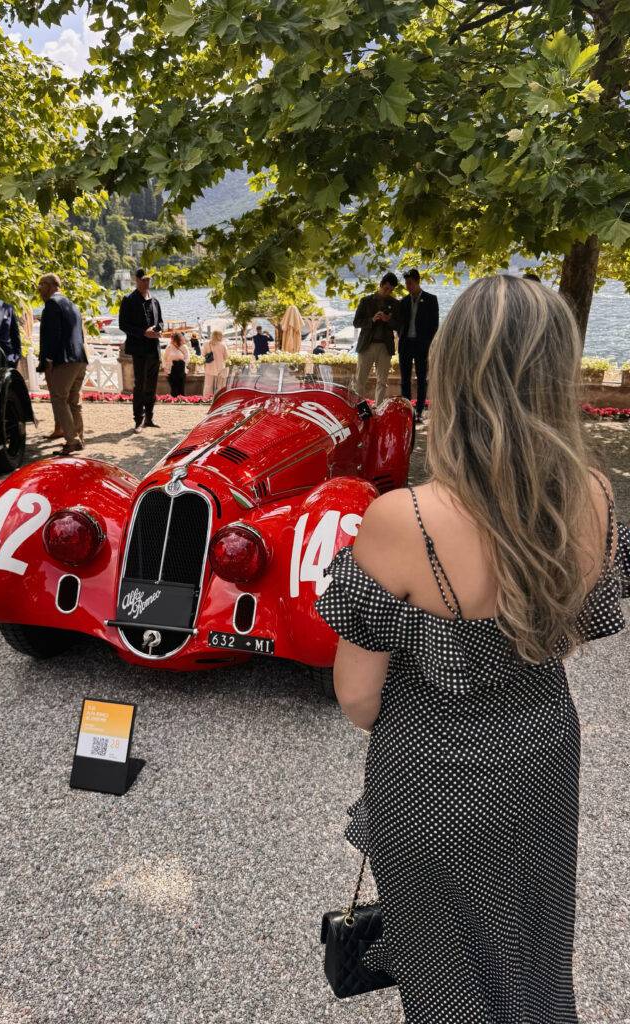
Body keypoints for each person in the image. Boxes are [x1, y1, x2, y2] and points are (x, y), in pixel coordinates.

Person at [317, 275, 629, 1024]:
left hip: (432, 775)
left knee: (447, 975)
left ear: (455, 370)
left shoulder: (402, 519)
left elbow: (357, 699)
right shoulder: (594, 493)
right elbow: (584, 623)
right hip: (545, 754)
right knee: (533, 950)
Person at [36, 273, 88, 456]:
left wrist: (46, 361)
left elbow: (52, 336)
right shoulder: (72, 305)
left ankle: (71, 441)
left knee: (59, 398)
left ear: (50, 285)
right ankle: (80, 438)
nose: (39, 289)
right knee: (74, 400)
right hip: (80, 358)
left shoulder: (51, 304)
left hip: (64, 360)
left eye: (41, 285)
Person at [118, 268, 164, 434]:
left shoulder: (155, 301)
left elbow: (161, 322)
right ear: (136, 280)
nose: (146, 282)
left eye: (148, 280)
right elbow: (123, 325)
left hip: (154, 348)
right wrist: (144, 332)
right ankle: (139, 419)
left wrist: (158, 329)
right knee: (140, 385)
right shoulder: (128, 300)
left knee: (152, 385)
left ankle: (150, 418)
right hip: (139, 349)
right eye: (143, 280)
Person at [397, 268, 439, 423]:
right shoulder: (403, 302)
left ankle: (420, 411)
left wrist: (429, 344)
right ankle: (407, 410)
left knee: (422, 378)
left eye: (410, 283)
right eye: (406, 283)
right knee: (405, 379)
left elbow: (435, 325)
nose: (408, 286)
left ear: (417, 281)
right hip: (406, 344)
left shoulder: (431, 299)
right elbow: (399, 323)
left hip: (422, 345)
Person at [353, 272, 400, 403]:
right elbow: (356, 322)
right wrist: (372, 320)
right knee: (360, 380)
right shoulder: (366, 301)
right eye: (386, 288)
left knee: (382, 381)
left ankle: (379, 408)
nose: (388, 292)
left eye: (391, 290)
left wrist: (388, 320)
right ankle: (358, 409)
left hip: (385, 346)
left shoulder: (395, 303)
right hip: (367, 345)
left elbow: (399, 325)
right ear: (381, 284)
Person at [202, 330, 228, 399]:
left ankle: (206, 399)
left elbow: (203, 354)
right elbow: (226, 357)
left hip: (209, 367)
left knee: (208, 385)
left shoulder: (206, 344)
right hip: (220, 368)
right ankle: (219, 399)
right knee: (220, 386)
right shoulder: (222, 345)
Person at [162, 331, 189, 397]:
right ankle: (174, 401)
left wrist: (181, 363)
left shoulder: (184, 347)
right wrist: (165, 368)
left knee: (181, 387)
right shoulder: (169, 347)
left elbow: (187, 358)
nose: (171, 340)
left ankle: (181, 401)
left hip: (181, 368)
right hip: (171, 369)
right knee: (174, 388)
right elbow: (164, 358)